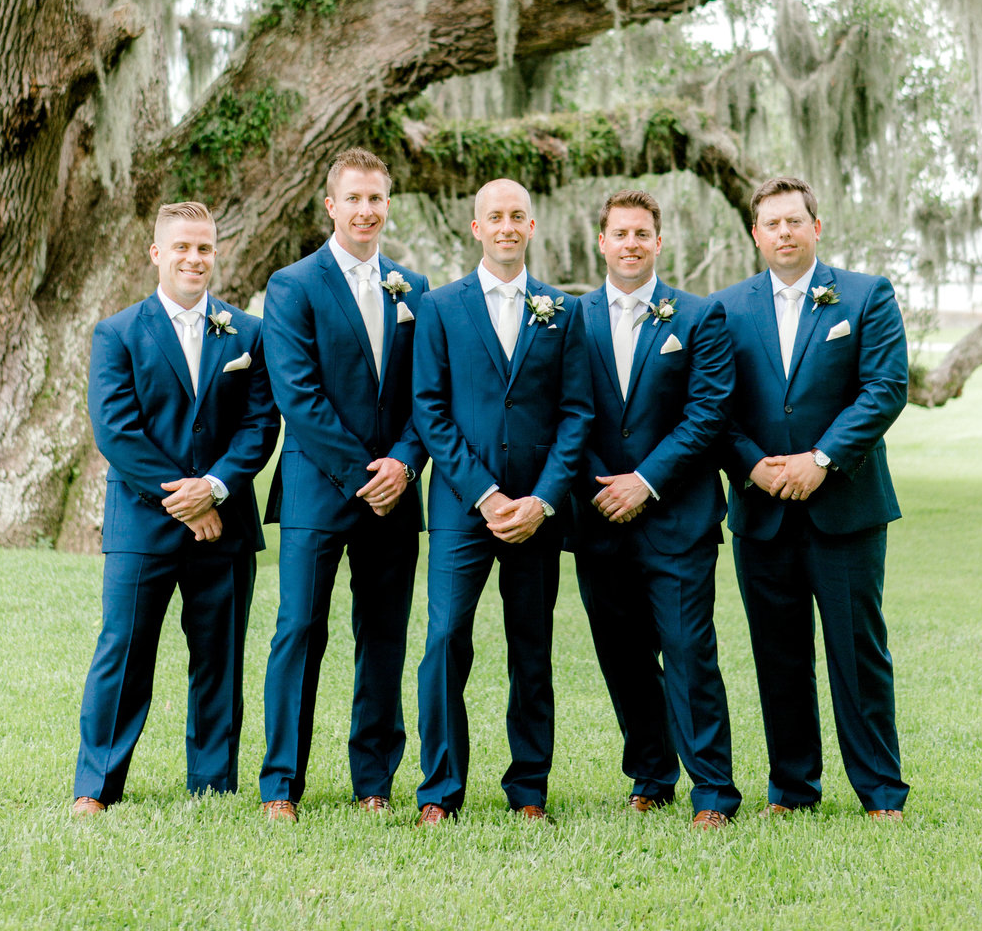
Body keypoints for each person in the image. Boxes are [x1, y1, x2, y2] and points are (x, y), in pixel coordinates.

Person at [73, 201, 277, 813]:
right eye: (182, 247)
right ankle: (97, 786)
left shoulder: (248, 332)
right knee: (124, 652)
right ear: (157, 253)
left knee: (219, 658)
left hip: (226, 527)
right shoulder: (117, 332)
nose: (195, 258)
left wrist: (215, 488)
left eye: (205, 248)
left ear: (216, 253)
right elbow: (117, 430)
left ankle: (212, 785)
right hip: (142, 524)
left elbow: (260, 424)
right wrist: (187, 501)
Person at [717, 175, 910, 819]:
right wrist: (754, 467)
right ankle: (793, 790)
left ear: (816, 226)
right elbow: (714, 407)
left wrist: (820, 460)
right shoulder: (726, 309)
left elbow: (884, 388)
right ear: (755, 234)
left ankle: (881, 791)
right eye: (771, 224)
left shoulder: (865, 295)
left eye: (795, 221)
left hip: (845, 510)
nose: (784, 232)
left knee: (858, 654)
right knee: (778, 656)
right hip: (761, 511)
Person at [412, 178, 593, 825]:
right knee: (444, 640)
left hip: (537, 515)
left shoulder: (562, 311)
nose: (508, 225)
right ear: (476, 227)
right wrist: (485, 495)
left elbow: (577, 415)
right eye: (496, 216)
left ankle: (529, 790)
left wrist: (542, 500)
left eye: (519, 215)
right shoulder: (439, 306)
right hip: (464, 508)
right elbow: (429, 409)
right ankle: (439, 790)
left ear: (533, 226)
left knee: (531, 647)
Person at [259, 148, 428, 820]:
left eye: (376, 199)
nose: (365, 210)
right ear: (330, 206)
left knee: (383, 635)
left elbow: (428, 394)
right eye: (353, 199)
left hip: (396, 489)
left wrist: (405, 464)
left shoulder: (412, 287)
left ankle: (374, 783)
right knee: (299, 629)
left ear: (388, 206)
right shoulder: (292, 286)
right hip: (315, 488)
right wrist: (367, 475)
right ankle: (280, 786)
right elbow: (296, 395)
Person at [571, 189, 740, 827]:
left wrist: (644, 481)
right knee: (622, 652)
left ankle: (715, 792)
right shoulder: (569, 316)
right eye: (620, 233)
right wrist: (598, 484)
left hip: (676, 516)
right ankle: (651, 772)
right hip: (597, 516)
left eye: (643, 233)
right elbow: (566, 415)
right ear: (602, 242)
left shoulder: (698, 318)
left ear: (659, 243)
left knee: (688, 648)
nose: (631, 243)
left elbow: (707, 415)